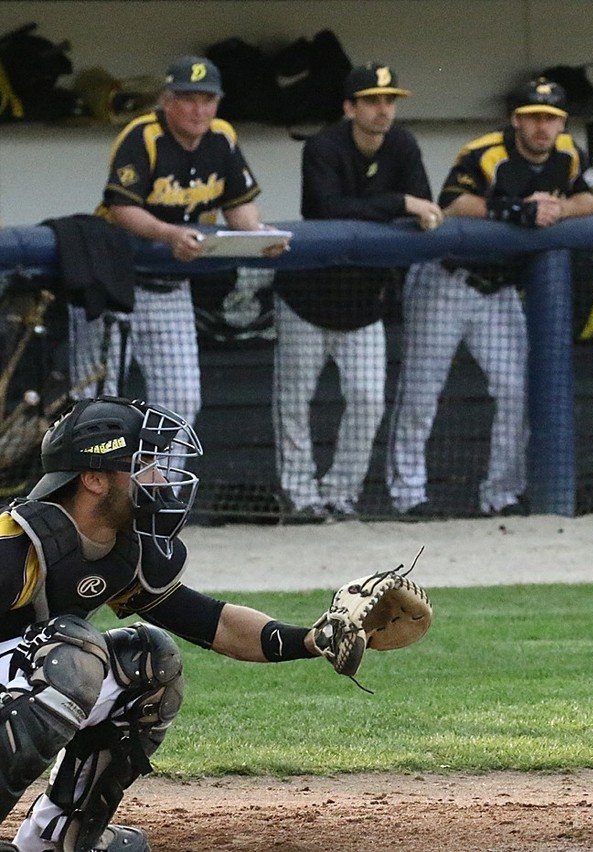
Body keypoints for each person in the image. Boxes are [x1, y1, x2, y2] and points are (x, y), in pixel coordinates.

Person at [0, 397, 334, 852]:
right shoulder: (15, 548)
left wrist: (316, 639)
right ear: (94, 478)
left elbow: (213, 623)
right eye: (145, 465)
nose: (160, 478)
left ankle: (56, 841)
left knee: (150, 664)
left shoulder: (124, 550)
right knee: (68, 657)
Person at [385, 77, 593, 517]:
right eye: (533, 118)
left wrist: (559, 209)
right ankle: (407, 495)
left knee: (516, 390)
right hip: (448, 278)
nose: (543, 128)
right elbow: (450, 203)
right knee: (422, 393)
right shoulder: (485, 151)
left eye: (551, 119)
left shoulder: (568, 151)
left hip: (499, 290)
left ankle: (500, 495)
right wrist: (519, 209)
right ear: (516, 120)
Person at [71, 56, 284, 432]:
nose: (198, 109)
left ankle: (159, 489)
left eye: (207, 99)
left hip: (170, 287)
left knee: (181, 401)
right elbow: (122, 208)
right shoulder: (143, 135)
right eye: (187, 98)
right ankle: (92, 490)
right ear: (166, 100)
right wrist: (168, 234)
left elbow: (239, 208)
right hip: (112, 283)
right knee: (98, 405)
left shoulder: (222, 137)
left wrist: (258, 235)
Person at [271, 63, 441, 520]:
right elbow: (327, 209)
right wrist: (398, 204)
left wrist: (405, 206)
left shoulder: (403, 144)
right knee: (294, 402)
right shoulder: (324, 145)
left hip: (365, 302)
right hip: (306, 298)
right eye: (372, 101)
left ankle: (340, 494)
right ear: (350, 107)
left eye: (389, 100)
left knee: (368, 401)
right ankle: (300, 496)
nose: (383, 109)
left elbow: (425, 203)